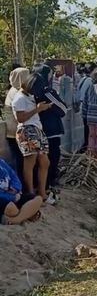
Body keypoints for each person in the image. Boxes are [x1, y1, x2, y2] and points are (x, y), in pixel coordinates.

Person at [12, 74, 54, 205]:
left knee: (44, 162)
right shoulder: (19, 98)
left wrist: (41, 109)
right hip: (27, 130)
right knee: (30, 162)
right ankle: (30, 194)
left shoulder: (28, 96)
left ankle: (41, 193)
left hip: (36, 130)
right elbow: (21, 118)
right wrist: (37, 109)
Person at [30, 64, 67, 195]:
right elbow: (63, 109)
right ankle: (47, 186)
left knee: (37, 163)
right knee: (51, 160)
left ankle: (38, 187)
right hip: (51, 132)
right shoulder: (47, 92)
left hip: (36, 132)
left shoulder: (30, 93)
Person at [0, 158, 43, 225]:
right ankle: (26, 214)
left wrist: (16, 189)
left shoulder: (1, 161)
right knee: (11, 208)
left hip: (12, 193)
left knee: (38, 199)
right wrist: (12, 197)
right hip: (4, 198)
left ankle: (17, 220)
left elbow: (13, 176)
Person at [4, 67, 29, 180]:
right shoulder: (16, 94)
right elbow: (21, 116)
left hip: (16, 132)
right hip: (15, 133)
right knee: (21, 161)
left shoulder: (16, 91)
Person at [77, 62, 96, 153]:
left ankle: (85, 148)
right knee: (89, 131)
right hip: (88, 107)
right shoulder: (91, 81)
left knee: (86, 130)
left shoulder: (82, 79)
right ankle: (87, 149)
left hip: (82, 106)